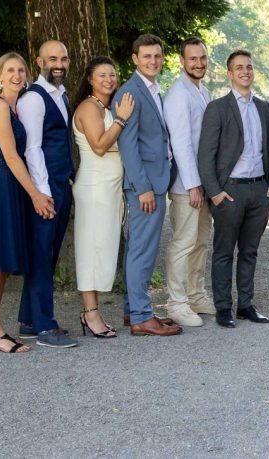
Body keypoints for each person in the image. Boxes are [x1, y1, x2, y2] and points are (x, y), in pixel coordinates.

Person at [0, 53, 55, 353]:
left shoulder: (16, 108)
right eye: (10, 70)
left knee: (2, 262)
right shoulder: (0, 106)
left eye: (21, 70)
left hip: (12, 187)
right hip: (2, 186)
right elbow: (10, 156)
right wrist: (35, 193)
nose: (17, 74)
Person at [198, 49, 269, 329]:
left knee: (250, 251)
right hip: (229, 192)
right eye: (239, 67)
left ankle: (246, 304)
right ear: (230, 74)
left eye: (249, 67)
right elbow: (205, 155)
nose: (245, 71)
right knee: (223, 251)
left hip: (259, 191)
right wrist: (215, 192)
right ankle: (223, 307)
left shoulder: (264, 108)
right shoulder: (218, 108)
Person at [114, 33, 182, 336]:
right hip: (145, 187)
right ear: (134, 59)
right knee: (142, 251)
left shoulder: (152, 89)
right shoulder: (130, 93)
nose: (153, 61)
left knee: (139, 249)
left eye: (157, 56)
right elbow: (128, 146)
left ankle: (133, 310)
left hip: (155, 181)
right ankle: (142, 315)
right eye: (147, 56)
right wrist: (142, 188)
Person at [17, 40, 77, 349]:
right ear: (39, 61)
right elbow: (32, 148)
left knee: (48, 253)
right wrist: (42, 193)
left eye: (63, 58)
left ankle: (28, 319)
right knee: (41, 254)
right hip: (45, 188)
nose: (59, 63)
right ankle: (44, 325)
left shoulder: (61, 94)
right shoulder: (34, 99)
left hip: (60, 183)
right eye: (52, 58)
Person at [71, 56, 134, 338]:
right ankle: (90, 314)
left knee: (104, 249)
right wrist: (121, 119)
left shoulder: (104, 106)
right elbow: (98, 145)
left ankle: (94, 311)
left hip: (110, 189)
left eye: (113, 74)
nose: (109, 80)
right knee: (90, 250)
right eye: (102, 75)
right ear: (90, 80)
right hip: (95, 188)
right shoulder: (88, 107)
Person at [162, 37, 214, 327]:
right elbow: (180, 143)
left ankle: (196, 296)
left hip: (204, 184)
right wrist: (193, 185)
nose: (198, 63)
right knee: (183, 243)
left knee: (201, 242)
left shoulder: (202, 91)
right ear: (182, 61)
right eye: (192, 59)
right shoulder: (178, 95)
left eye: (202, 58)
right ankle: (176, 303)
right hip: (187, 186)